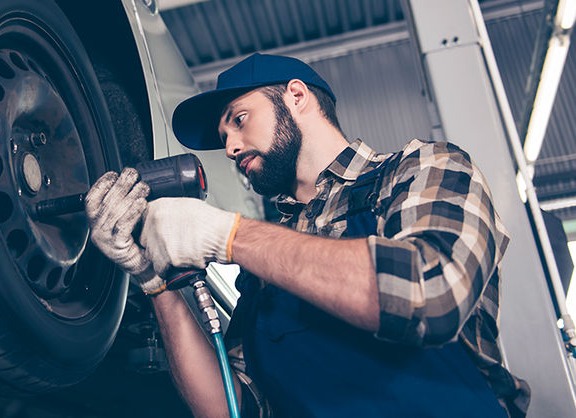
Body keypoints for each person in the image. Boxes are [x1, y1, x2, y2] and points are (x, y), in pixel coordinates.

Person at [84, 53, 530, 417]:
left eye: (239, 119)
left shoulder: (422, 169)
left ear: (296, 96)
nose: (230, 148)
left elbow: (429, 291)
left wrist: (226, 234)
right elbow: (231, 408)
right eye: (224, 137)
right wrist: (154, 281)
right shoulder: (261, 275)